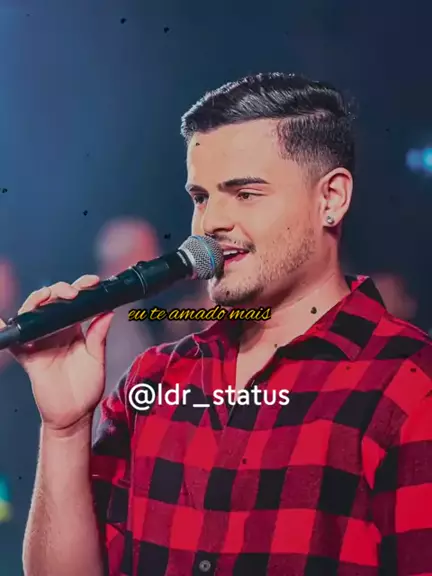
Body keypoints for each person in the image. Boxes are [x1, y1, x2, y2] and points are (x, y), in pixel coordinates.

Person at [8, 72, 432, 575]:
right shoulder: (154, 379)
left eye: (245, 193)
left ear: (332, 198)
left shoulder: (410, 387)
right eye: (201, 197)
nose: (209, 224)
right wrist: (64, 429)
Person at [91, 217, 159, 439]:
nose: (157, 259)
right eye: (149, 253)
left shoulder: (130, 310)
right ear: (127, 261)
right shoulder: (102, 316)